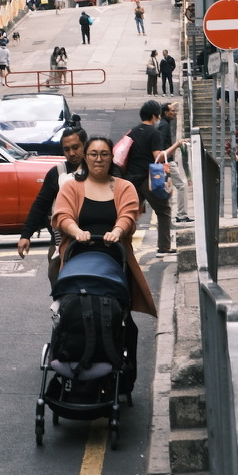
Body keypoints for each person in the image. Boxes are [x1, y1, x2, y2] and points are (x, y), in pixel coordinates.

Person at [51, 136, 157, 317]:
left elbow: (128, 216)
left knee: (120, 313)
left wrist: (117, 231)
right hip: (78, 255)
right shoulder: (71, 187)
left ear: (111, 157)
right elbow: (62, 216)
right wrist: (77, 232)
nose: (98, 159)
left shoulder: (125, 187)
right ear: (85, 157)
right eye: (93, 154)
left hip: (114, 254)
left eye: (104, 154)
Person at [17, 127, 87, 283]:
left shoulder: (98, 170)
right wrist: (25, 235)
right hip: (60, 238)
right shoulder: (57, 173)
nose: (71, 153)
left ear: (85, 145)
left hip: (93, 235)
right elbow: (40, 205)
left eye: (76, 147)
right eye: (66, 149)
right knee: (54, 272)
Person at [125, 99, 182, 257]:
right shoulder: (154, 133)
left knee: (129, 213)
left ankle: (122, 244)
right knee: (163, 211)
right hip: (148, 179)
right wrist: (176, 145)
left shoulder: (133, 131)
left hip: (131, 179)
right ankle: (164, 247)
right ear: (154, 115)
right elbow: (158, 157)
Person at [157, 102, 191, 224]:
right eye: (172, 111)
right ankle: (181, 215)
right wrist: (176, 146)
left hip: (167, 161)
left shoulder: (165, 124)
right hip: (167, 162)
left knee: (167, 188)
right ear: (166, 113)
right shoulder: (164, 126)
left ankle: (176, 214)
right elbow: (160, 144)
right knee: (181, 185)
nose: (174, 113)